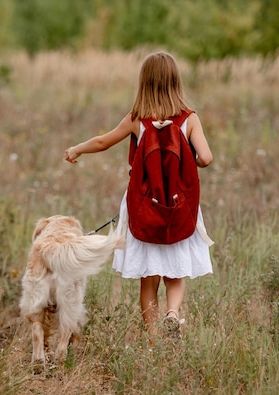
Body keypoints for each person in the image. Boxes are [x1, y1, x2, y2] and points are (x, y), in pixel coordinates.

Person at [64, 51, 213, 340]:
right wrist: (184, 158)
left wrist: (77, 149)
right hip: (179, 206)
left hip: (144, 206)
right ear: (175, 82)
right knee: (175, 275)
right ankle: (173, 314)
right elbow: (206, 158)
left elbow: (103, 141)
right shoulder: (189, 119)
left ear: (144, 82)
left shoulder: (137, 119)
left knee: (149, 278)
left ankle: (153, 341)